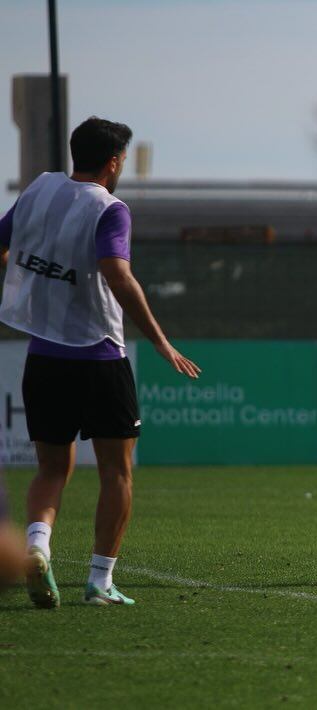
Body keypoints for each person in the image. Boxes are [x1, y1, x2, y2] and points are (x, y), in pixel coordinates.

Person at [0, 116, 200, 608]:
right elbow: (118, 275)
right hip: (99, 355)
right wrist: (159, 340)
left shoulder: (39, 191)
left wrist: (31, 279)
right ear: (113, 162)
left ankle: (37, 547)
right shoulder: (110, 209)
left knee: (51, 469)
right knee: (117, 471)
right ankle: (99, 581)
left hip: (42, 355)